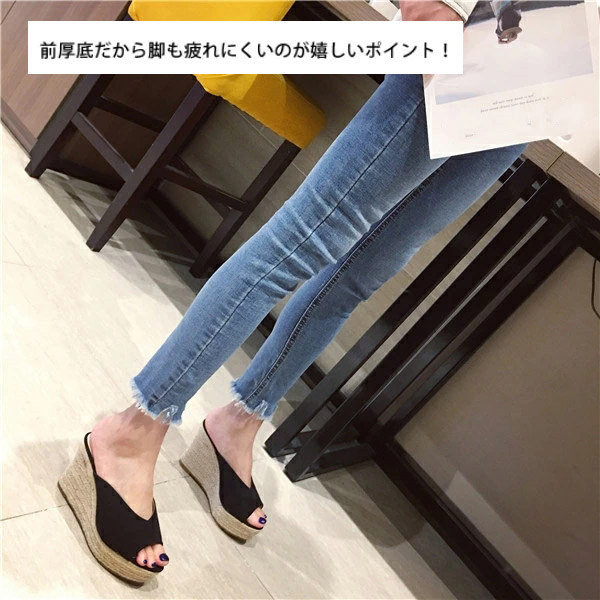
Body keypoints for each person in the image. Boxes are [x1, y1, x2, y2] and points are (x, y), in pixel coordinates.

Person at [59, 0, 526, 583]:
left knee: (361, 274)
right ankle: (129, 433)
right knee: (299, 244)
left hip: (536, 88)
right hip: (471, 40)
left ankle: (238, 421)